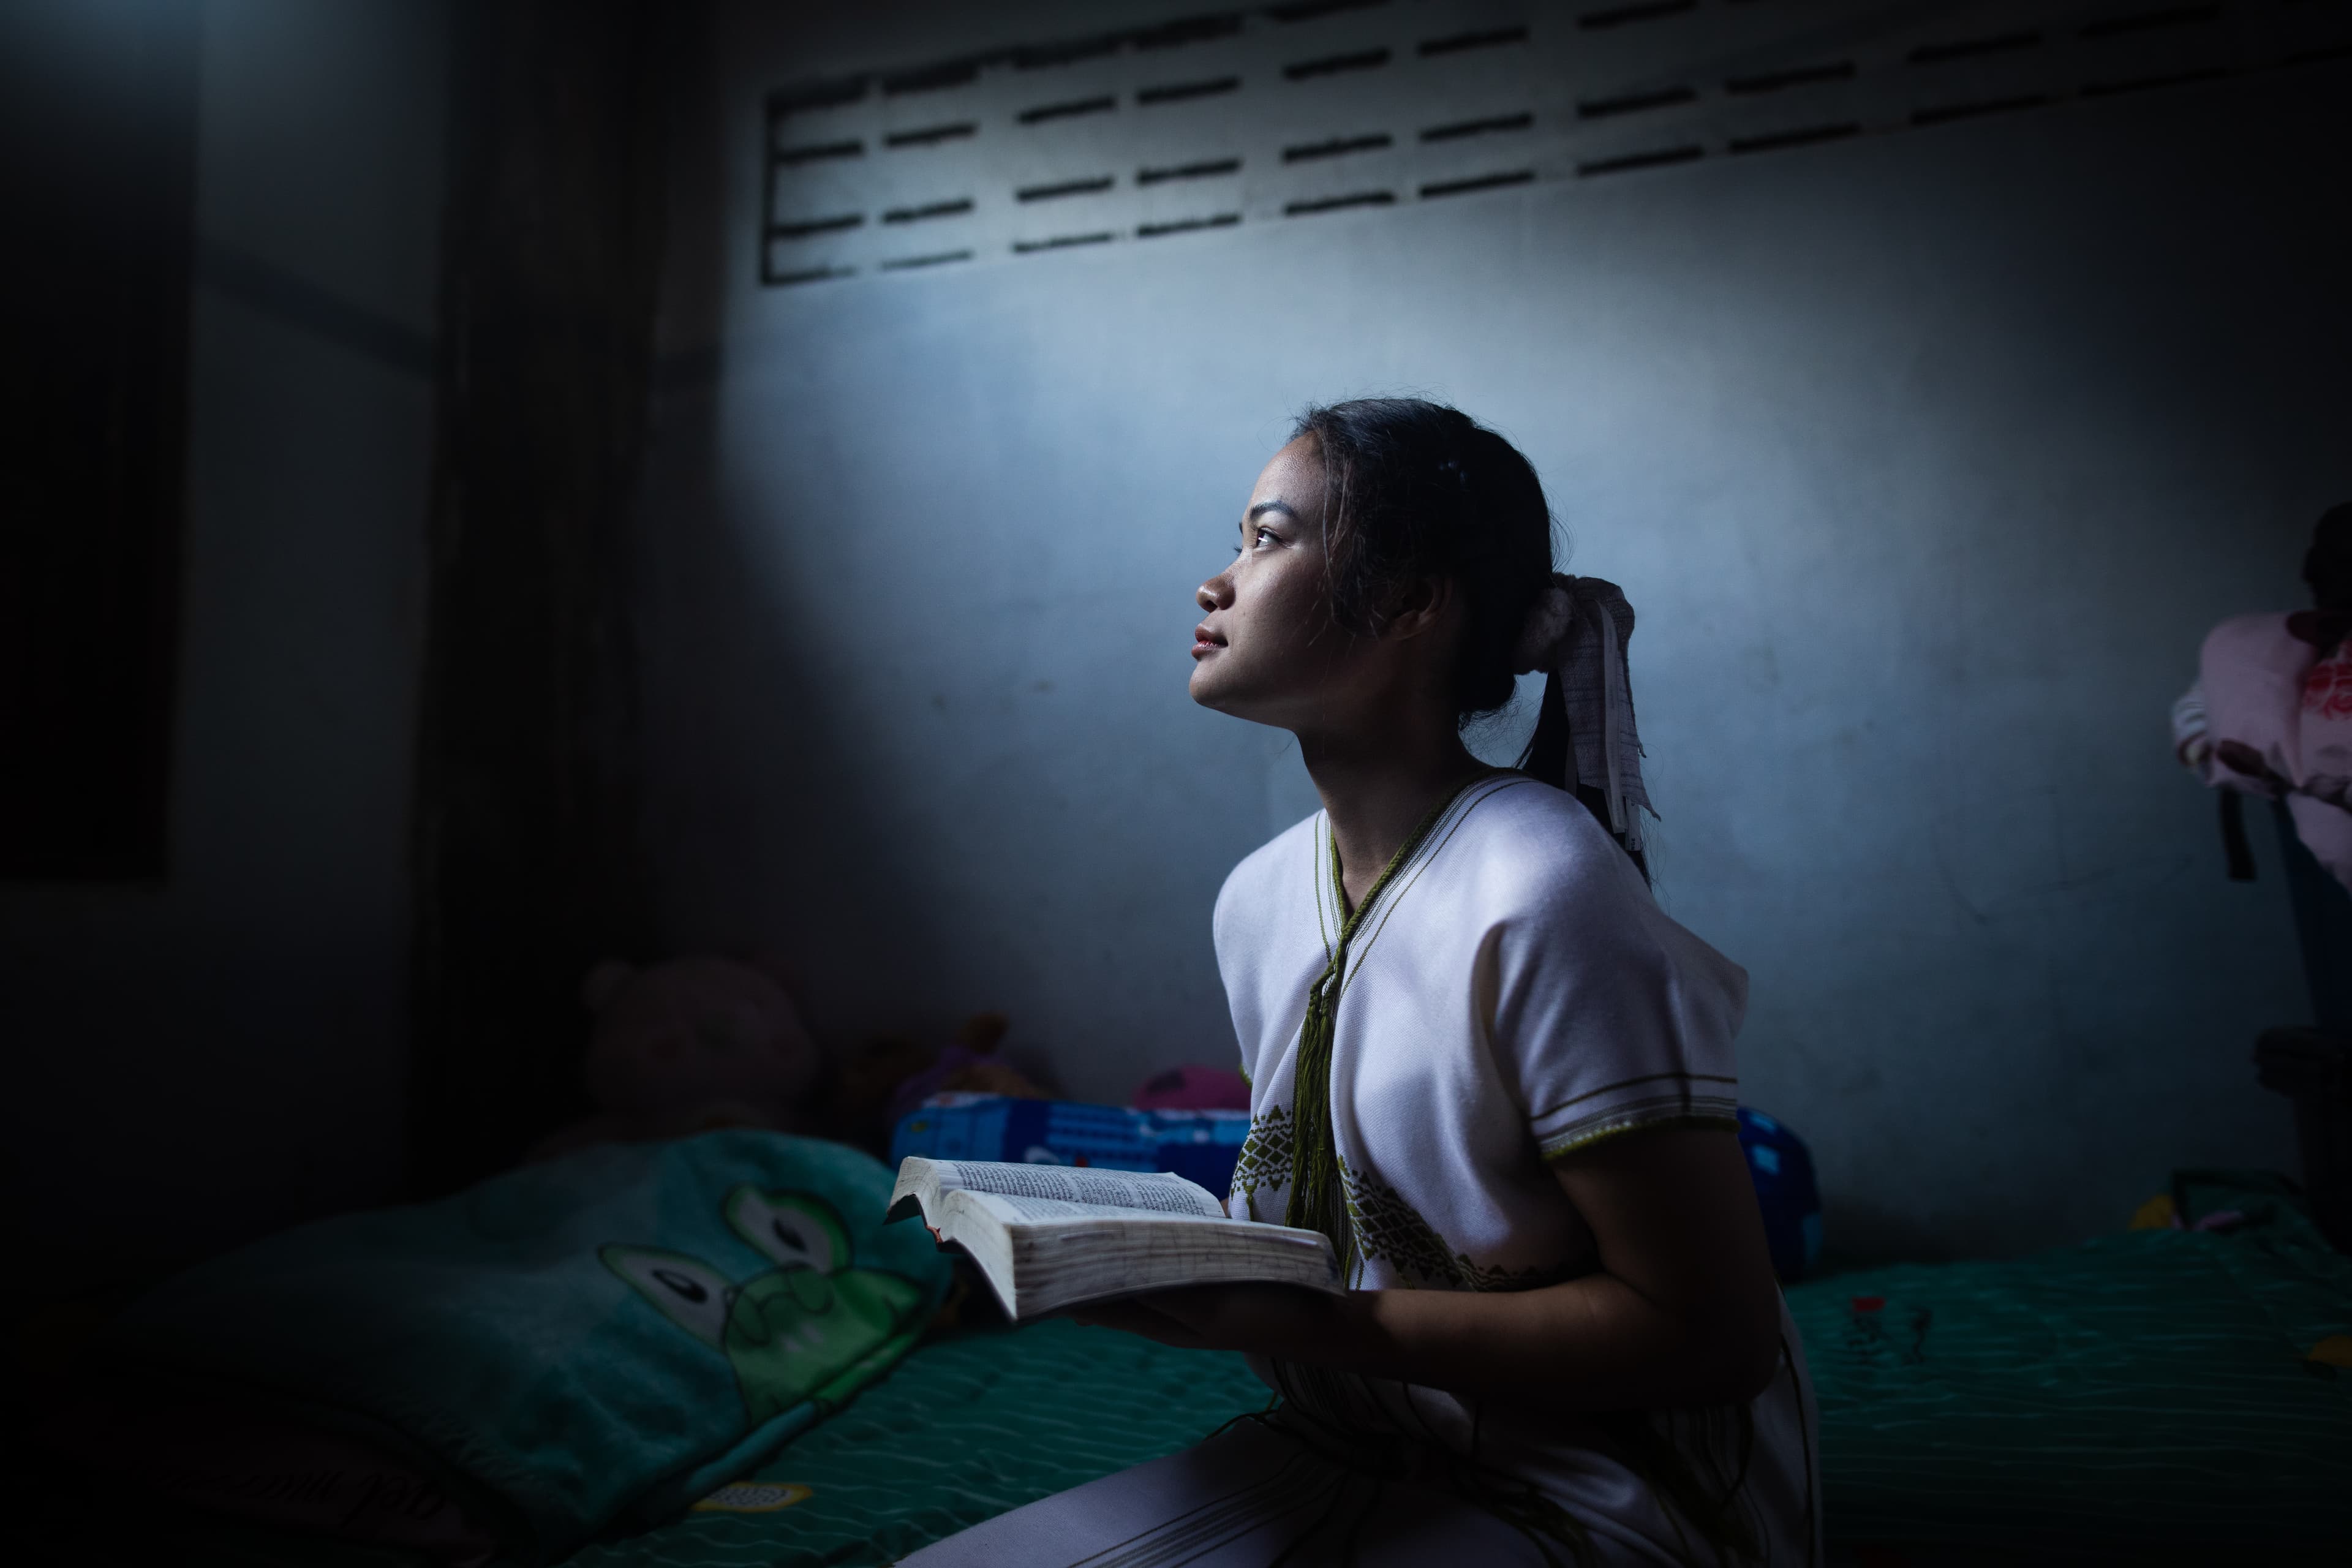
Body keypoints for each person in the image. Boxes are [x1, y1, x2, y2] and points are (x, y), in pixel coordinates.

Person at [905, 399, 1818, 1566]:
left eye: (1268, 538)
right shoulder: (1257, 898)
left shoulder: (1543, 887)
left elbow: (1709, 1337)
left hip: (1603, 1486)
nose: (1217, 582)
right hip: (1355, 1444)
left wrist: (1316, 1325)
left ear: (1407, 602)